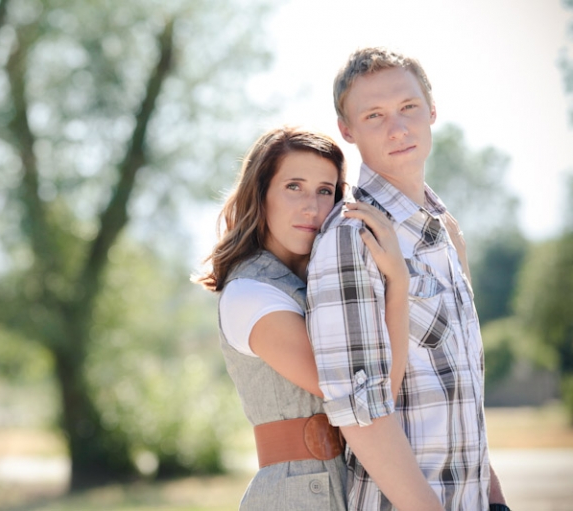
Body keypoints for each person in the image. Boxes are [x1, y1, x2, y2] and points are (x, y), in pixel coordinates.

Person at [305, 46, 509, 510]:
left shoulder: (443, 232)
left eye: (408, 107)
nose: (398, 128)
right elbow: (360, 414)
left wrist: (494, 498)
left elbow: (462, 394)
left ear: (432, 111)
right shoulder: (352, 236)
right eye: (374, 115)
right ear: (347, 131)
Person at [195, 126, 429, 510]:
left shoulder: (320, 286)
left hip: (349, 485)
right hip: (297, 496)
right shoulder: (250, 295)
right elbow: (371, 397)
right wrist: (397, 285)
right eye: (294, 187)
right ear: (262, 194)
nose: (312, 207)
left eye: (325, 190)